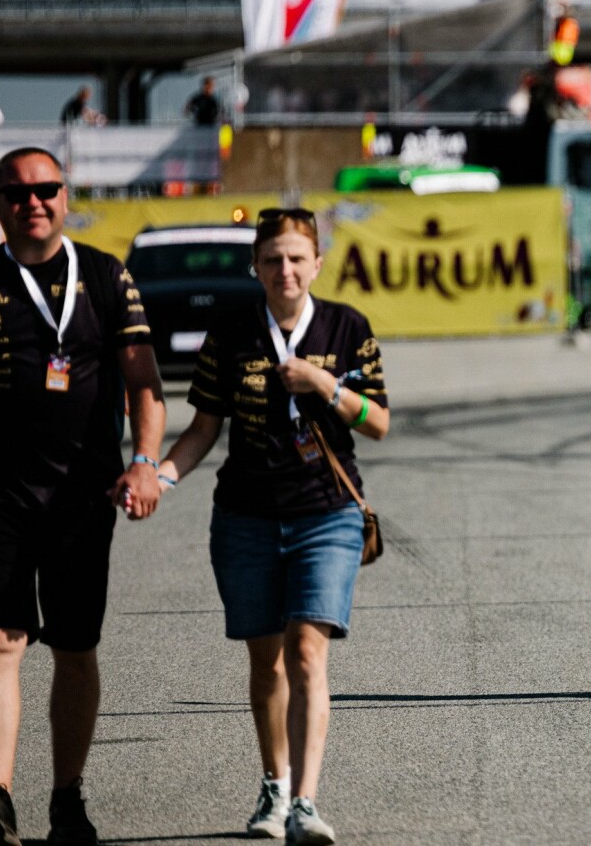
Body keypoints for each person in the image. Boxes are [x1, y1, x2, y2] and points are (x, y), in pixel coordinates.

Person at [156, 207, 389, 845]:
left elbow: (378, 421)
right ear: (255, 267)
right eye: (272, 260)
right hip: (246, 518)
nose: (285, 270)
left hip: (327, 513)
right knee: (267, 663)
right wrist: (159, 476)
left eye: (296, 258)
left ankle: (307, 803)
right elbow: (203, 428)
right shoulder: (231, 330)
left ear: (317, 263)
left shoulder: (347, 325)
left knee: (307, 651)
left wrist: (322, 382)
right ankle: (275, 784)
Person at [0, 147, 165, 846]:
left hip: (83, 496)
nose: (34, 201)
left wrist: (145, 463)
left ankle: (67, 798)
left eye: (47, 189)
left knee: (75, 647)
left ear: (65, 196)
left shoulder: (108, 276)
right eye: (16, 192)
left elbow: (145, 384)